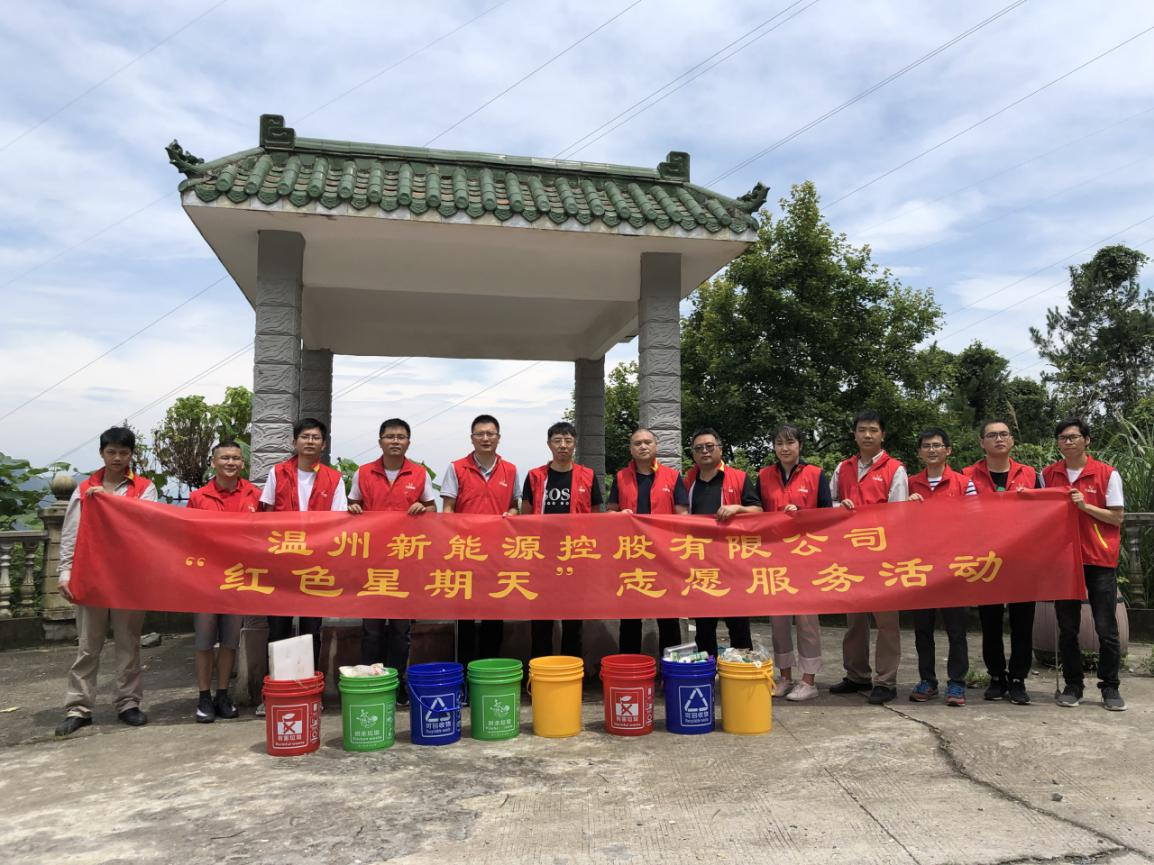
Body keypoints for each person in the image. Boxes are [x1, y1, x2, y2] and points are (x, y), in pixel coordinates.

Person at [55, 427, 159, 737]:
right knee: (88, 646)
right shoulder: (85, 489)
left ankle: (128, 703)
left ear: (131, 455)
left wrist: (108, 501)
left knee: (129, 644)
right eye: (111, 452)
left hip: (129, 579)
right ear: (102, 453)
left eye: (123, 453)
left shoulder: (145, 488)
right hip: (91, 577)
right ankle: (78, 707)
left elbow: (146, 522)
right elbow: (71, 532)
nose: (117, 458)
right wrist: (65, 572)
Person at [349, 418, 436, 704]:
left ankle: (398, 685)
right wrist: (353, 508)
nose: (395, 441)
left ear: (408, 442)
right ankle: (370, 683)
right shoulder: (363, 473)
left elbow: (432, 509)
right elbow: (352, 506)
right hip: (372, 564)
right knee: (372, 630)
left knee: (401, 631)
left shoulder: (419, 473)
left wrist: (422, 507)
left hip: (405, 563)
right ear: (380, 441)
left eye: (401, 437)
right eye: (390, 436)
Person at [1042, 418, 1126, 711]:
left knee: (1106, 628)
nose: (1068, 442)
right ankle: (1073, 685)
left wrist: (1085, 506)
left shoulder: (1106, 474)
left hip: (1099, 559)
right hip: (1064, 560)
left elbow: (1117, 517)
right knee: (1067, 628)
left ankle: (1110, 687)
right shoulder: (1048, 474)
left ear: (1086, 440)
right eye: (1062, 438)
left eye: (1073, 437)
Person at [828, 410, 909, 705]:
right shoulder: (843, 468)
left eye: (873, 430)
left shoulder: (895, 469)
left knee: (886, 623)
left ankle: (886, 681)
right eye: (862, 429)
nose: (867, 435)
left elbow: (899, 513)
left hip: (882, 557)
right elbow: (829, 502)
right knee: (855, 621)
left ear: (882, 435)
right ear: (854, 434)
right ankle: (857, 675)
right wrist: (839, 506)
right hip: (850, 556)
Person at [259, 418, 347, 675]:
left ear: (324, 444)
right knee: (278, 629)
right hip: (281, 563)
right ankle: (276, 687)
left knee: (311, 630)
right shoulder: (278, 473)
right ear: (294, 442)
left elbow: (338, 521)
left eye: (315, 437)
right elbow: (267, 513)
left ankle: (309, 687)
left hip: (315, 566)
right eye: (305, 437)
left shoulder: (334, 479)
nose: (310, 441)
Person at [964, 419, 1042, 704]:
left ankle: (1018, 678)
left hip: (1023, 559)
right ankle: (996, 676)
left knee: (1023, 622)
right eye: (992, 435)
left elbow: (1045, 510)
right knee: (990, 621)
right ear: (981, 442)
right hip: (986, 559)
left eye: (1004, 434)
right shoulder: (967, 476)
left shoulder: (1031, 474)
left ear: (1012, 440)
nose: (999, 439)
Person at [187, 440, 260, 723]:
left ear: (243, 463)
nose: (230, 463)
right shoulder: (198, 497)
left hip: (238, 580)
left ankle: (222, 694)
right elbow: (186, 536)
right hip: (205, 580)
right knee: (204, 641)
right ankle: (203, 696)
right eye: (225, 458)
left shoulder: (254, 495)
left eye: (236, 458)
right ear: (213, 462)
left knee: (230, 641)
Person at [757, 424, 831, 702]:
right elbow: (756, 513)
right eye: (779, 443)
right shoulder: (764, 476)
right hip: (775, 556)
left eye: (790, 442)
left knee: (806, 620)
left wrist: (802, 513)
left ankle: (809, 680)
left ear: (800, 445)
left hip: (806, 556)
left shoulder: (815, 474)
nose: (785, 448)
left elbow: (827, 515)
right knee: (778, 620)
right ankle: (785, 677)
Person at [441, 414, 521, 666]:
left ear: (498, 438)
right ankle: (464, 672)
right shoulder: (456, 467)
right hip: (465, 553)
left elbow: (514, 505)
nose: (485, 438)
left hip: (497, 555)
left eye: (490, 434)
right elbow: (448, 508)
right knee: (464, 617)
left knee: (494, 615)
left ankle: (489, 670)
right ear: (472, 438)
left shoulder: (510, 469)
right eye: (480, 434)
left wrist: (512, 514)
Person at [521, 421, 603, 659]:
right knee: (540, 618)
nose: (563, 445)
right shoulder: (535, 476)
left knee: (573, 619)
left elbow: (596, 516)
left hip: (575, 556)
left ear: (575, 444)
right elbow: (526, 514)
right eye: (557, 441)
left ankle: (571, 669)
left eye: (568, 440)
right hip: (541, 557)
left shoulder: (588, 476)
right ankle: (540, 669)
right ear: (549, 445)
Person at [906, 428, 975, 707]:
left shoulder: (964, 483)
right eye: (926, 446)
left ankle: (957, 683)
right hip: (919, 566)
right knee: (922, 629)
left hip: (953, 567)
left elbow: (977, 520)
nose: (932, 450)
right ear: (919, 452)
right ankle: (927, 681)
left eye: (937, 445)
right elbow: (895, 522)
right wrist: (905, 507)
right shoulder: (909, 484)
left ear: (948, 450)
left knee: (956, 629)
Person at [607, 428, 689, 656]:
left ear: (656, 446)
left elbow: (683, 516)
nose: (643, 447)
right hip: (631, 556)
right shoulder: (621, 477)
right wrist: (619, 515)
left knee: (668, 617)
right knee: (630, 618)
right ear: (631, 449)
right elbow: (610, 512)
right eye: (637, 443)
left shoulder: (672, 477)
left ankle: (670, 668)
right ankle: (629, 667)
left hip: (664, 557)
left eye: (647, 442)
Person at [683, 428, 763, 658]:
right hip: (701, 562)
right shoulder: (688, 480)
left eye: (709, 446)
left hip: (732, 562)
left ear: (720, 448)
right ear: (693, 453)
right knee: (703, 626)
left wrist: (737, 508)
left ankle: (741, 671)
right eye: (699, 448)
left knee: (738, 623)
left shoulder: (738, 477)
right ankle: (707, 672)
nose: (704, 451)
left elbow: (758, 511)